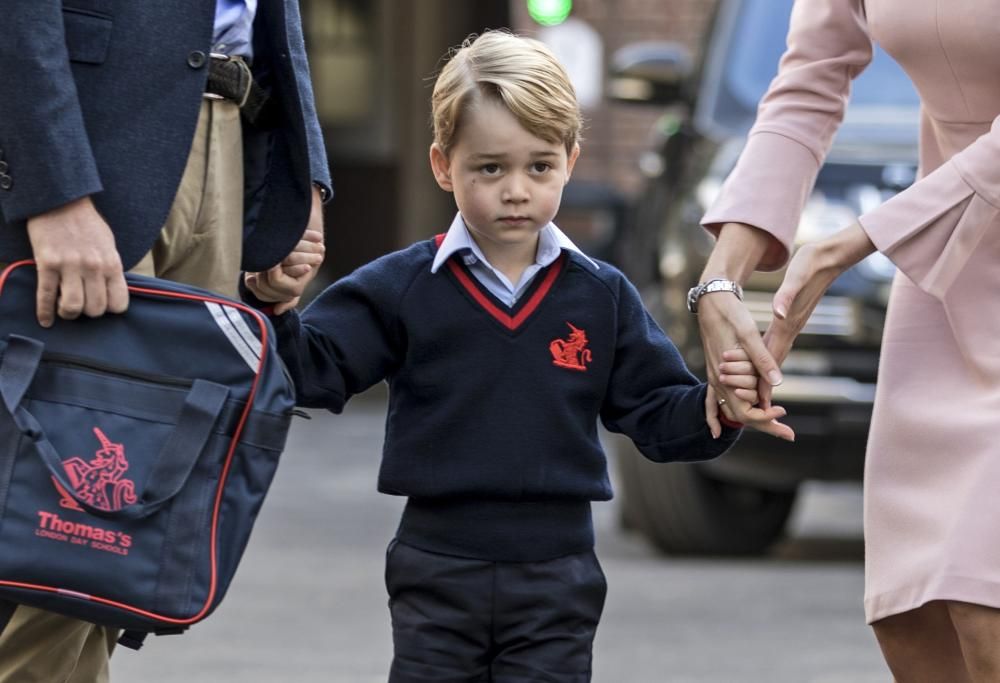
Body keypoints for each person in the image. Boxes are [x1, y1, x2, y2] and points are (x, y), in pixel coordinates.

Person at [244, 29, 751, 682]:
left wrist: (720, 404)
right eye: (490, 167)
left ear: (570, 160)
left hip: (557, 576)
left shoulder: (601, 296)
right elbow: (309, 370)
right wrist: (276, 305)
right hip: (435, 566)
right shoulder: (402, 286)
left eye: (539, 166)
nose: (516, 189)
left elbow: (657, 414)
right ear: (442, 164)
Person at [0, 1, 329, 681]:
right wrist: (53, 187)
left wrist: (300, 180)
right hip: (92, 137)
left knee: (125, 543)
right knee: (62, 528)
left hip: (229, 129)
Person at [699, 1, 1000, 680]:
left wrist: (861, 237)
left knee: (987, 599)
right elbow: (809, 80)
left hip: (931, 231)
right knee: (912, 612)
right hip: (947, 276)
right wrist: (720, 280)